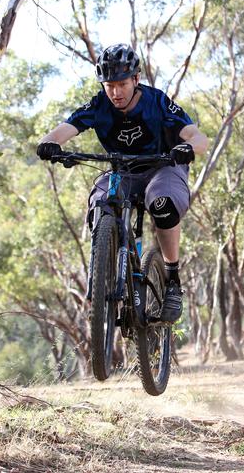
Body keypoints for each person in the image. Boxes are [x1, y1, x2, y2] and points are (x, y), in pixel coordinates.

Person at [36, 43, 208, 323]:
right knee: (101, 202)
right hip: (123, 172)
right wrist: (49, 144)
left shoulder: (157, 102)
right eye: (109, 85)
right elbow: (62, 130)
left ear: (136, 79)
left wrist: (188, 148)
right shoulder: (99, 106)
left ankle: (173, 278)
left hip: (162, 169)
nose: (115, 92)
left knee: (161, 203)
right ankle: (107, 267)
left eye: (122, 84)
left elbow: (198, 137)